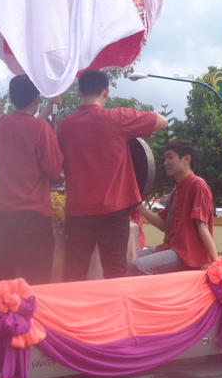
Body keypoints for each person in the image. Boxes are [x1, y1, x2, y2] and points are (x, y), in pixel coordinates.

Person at [57, 68, 168, 280]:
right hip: (113, 212)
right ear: (106, 92)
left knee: (74, 272)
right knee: (115, 272)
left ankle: (74, 312)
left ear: (79, 93)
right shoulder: (118, 118)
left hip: (78, 213)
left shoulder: (65, 127)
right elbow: (163, 121)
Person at [0, 74, 63, 284]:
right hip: (34, 218)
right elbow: (53, 170)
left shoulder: (2, 125)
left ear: (12, 98)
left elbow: (28, 125)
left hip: (4, 218)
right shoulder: (42, 129)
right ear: (36, 99)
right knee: (36, 285)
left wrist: (50, 106)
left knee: (3, 284)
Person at [133, 140, 218, 274]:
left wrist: (215, 261)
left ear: (186, 159)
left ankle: (158, 295)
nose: (166, 162)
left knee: (139, 266)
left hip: (188, 255)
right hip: (170, 248)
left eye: (170, 157)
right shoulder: (176, 190)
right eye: (165, 158)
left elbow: (203, 227)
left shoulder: (198, 185)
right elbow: (164, 225)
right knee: (127, 260)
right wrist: (140, 207)